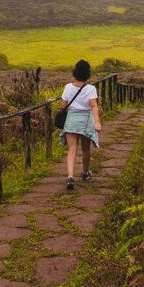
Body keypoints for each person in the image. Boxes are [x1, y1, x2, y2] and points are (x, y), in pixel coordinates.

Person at [59, 59, 102, 190]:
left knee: (72, 149)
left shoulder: (68, 87)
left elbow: (63, 106)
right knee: (86, 149)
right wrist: (97, 122)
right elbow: (93, 105)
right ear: (88, 73)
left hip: (72, 119)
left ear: (75, 72)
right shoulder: (91, 89)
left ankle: (70, 177)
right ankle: (85, 172)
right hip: (86, 120)